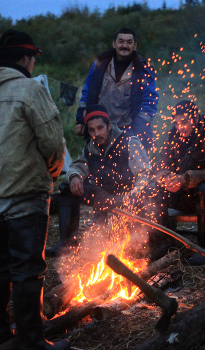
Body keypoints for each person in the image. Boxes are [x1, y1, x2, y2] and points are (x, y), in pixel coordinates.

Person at [0, 29, 70, 349]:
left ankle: (3, 335)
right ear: (27, 58)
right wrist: (52, 174)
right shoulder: (29, 90)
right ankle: (30, 341)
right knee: (27, 271)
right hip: (25, 195)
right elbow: (53, 144)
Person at [46, 104, 171, 258]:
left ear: (109, 126)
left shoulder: (129, 142)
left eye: (100, 128)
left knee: (152, 190)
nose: (96, 134)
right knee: (66, 187)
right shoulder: (91, 147)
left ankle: (159, 243)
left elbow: (144, 174)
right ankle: (66, 244)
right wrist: (75, 176)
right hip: (103, 197)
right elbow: (78, 165)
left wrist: (131, 197)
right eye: (91, 130)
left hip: (129, 196)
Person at [155, 100, 205, 265]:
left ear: (196, 117)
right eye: (176, 123)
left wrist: (186, 179)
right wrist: (167, 178)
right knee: (154, 189)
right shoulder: (173, 138)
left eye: (184, 122)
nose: (180, 127)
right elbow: (162, 166)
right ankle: (164, 242)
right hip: (185, 195)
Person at [75, 28, 159, 150]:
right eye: (121, 41)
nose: (124, 46)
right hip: (99, 129)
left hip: (128, 129)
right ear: (114, 44)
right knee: (96, 166)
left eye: (129, 42)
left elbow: (150, 102)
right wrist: (80, 120)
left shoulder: (143, 70)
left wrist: (136, 131)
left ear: (135, 45)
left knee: (127, 167)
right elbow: (87, 93)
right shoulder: (99, 65)